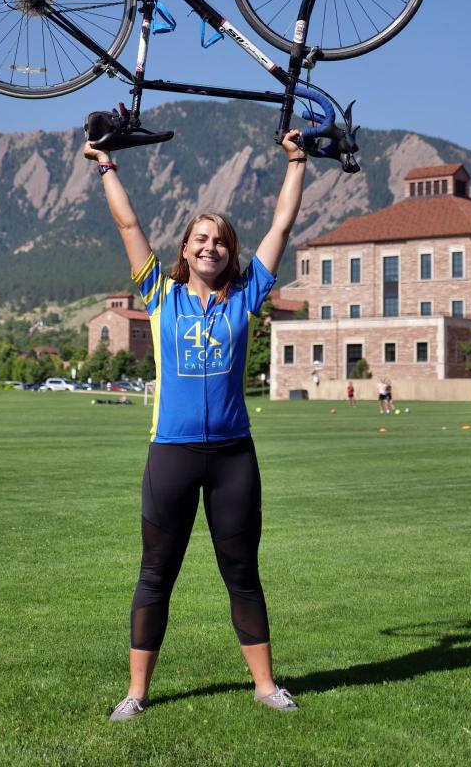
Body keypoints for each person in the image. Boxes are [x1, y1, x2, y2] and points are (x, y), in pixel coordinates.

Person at [84, 129, 307, 721]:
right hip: (172, 456)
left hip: (234, 456)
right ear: (184, 249)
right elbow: (131, 229)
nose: (210, 248)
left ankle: (265, 687)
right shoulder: (160, 294)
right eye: (200, 239)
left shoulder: (245, 296)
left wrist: (297, 161)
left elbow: (281, 227)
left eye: (220, 242)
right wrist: (107, 167)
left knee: (243, 573)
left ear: (231, 255)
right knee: (156, 574)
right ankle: (135, 694)